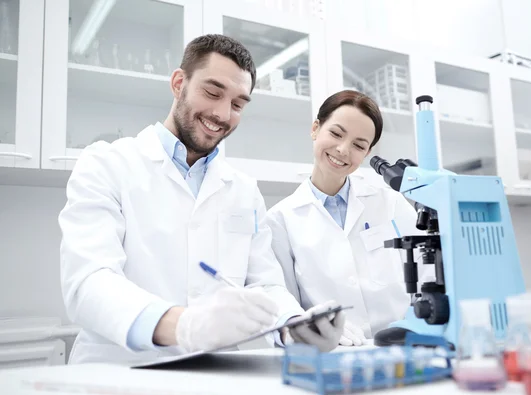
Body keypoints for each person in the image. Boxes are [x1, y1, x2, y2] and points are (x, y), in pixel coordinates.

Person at [58, 34, 344, 365]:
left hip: (214, 374)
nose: (223, 113)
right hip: (119, 372)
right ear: (179, 83)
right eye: (212, 92)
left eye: (238, 104)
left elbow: (265, 285)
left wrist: (293, 326)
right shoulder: (107, 163)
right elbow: (89, 282)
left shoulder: (243, 189)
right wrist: (184, 326)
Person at [266, 90, 433, 346]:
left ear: (367, 153)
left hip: (402, 347)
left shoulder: (391, 204)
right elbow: (282, 301)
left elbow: (428, 273)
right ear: (315, 129)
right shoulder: (281, 219)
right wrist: (303, 328)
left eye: (358, 145)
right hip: (333, 353)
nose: (343, 150)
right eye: (336, 133)